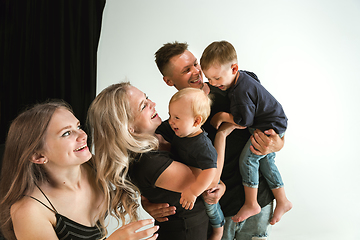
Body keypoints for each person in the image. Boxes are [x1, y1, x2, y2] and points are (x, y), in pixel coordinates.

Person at [143, 41, 285, 240]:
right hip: (217, 213)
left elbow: (272, 117)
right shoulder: (172, 127)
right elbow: (148, 167)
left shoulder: (235, 88)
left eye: (195, 64)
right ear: (169, 81)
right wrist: (146, 202)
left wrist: (279, 143)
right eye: (186, 70)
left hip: (258, 199)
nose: (196, 71)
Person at [87, 82, 238, 240]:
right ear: (128, 127)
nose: (153, 104)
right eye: (143, 106)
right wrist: (222, 135)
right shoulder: (149, 162)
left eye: (147, 98)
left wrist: (222, 185)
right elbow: (211, 181)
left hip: (201, 223)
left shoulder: (164, 131)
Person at [0, 100, 158, 240]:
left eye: (78, 126)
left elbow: (134, 181)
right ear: (38, 156)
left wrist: (147, 200)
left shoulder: (94, 165)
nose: (83, 135)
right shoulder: (29, 212)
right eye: (66, 133)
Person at [200, 40, 292, 225]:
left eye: (217, 78)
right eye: (209, 78)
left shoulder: (240, 91)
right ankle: (282, 200)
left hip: (268, 126)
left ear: (234, 68)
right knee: (265, 159)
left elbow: (244, 121)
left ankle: (252, 203)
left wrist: (222, 116)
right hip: (274, 122)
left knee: (248, 159)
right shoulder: (243, 78)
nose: (213, 83)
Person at [169, 88, 237, 240]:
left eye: (177, 117)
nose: (171, 121)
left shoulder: (202, 145)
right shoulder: (181, 132)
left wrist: (193, 191)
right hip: (196, 176)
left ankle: (219, 230)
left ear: (196, 121)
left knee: (210, 204)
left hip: (207, 181)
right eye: (170, 116)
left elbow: (210, 171)